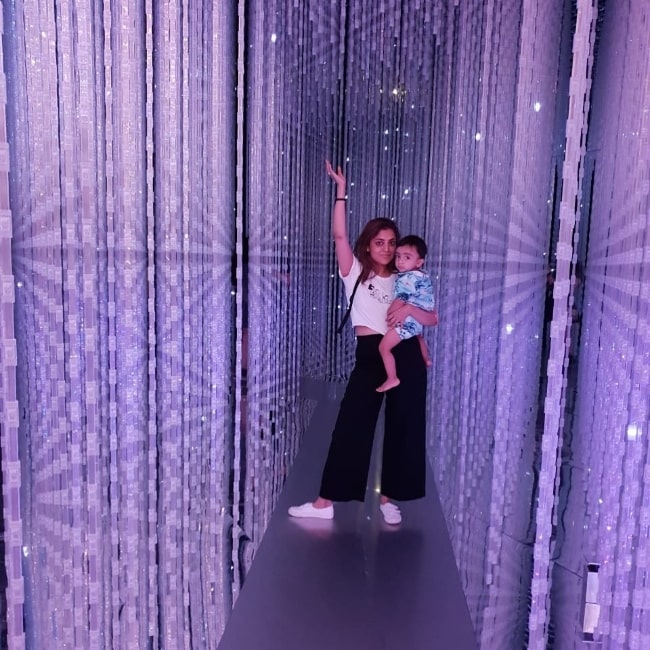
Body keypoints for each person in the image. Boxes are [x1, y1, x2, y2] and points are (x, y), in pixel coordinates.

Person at [288, 161, 438, 525]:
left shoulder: (409, 279)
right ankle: (325, 503)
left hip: (405, 355)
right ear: (368, 246)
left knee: (404, 427)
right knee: (353, 424)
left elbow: (428, 318)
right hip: (371, 355)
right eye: (380, 242)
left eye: (392, 243)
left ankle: (388, 499)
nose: (387, 249)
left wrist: (411, 317)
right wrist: (341, 191)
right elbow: (339, 236)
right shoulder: (354, 272)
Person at [376, 235, 434, 393]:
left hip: (409, 319)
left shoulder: (407, 278)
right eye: (398, 256)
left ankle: (392, 377)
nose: (400, 261)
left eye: (407, 257)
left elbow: (402, 298)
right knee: (418, 336)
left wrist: (391, 312)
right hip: (419, 317)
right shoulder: (422, 275)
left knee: (384, 347)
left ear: (419, 262)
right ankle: (426, 359)